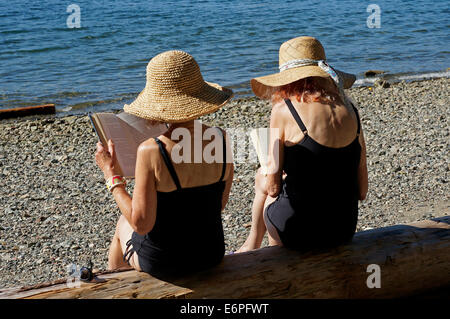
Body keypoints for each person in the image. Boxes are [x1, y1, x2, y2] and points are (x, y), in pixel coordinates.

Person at [95, 50, 234, 278]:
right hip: (210, 253)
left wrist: (113, 177)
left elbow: (141, 225)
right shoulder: (222, 138)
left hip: (165, 262)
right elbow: (219, 204)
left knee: (124, 223)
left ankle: (118, 285)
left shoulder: (152, 150)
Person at [237, 36, 368, 253]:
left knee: (263, 177)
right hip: (343, 230)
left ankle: (256, 246)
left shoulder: (284, 109)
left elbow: (273, 187)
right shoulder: (351, 110)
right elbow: (362, 191)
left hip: (302, 232)